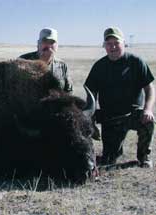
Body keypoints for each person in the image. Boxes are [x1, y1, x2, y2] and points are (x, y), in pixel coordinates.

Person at [85, 27, 155, 168]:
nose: (113, 47)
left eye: (116, 42)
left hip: (132, 114)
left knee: (149, 121)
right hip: (109, 118)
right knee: (109, 160)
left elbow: (149, 88)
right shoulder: (99, 67)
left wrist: (148, 109)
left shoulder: (136, 62)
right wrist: (90, 119)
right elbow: (91, 95)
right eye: (109, 44)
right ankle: (92, 156)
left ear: (124, 43)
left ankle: (144, 157)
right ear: (104, 46)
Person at [19, 27, 73, 93]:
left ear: (57, 45)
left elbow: (68, 90)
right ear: (38, 44)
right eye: (45, 41)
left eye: (52, 42)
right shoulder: (23, 61)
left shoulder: (62, 66)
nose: (48, 45)